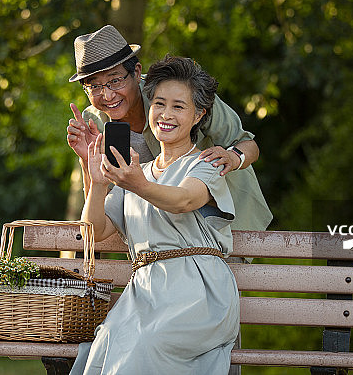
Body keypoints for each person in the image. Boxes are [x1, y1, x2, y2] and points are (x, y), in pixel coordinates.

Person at [71, 56, 239, 375]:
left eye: (179, 106)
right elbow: (95, 230)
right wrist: (96, 181)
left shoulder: (205, 165)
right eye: (159, 103)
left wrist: (137, 183)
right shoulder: (138, 171)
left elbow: (184, 199)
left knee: (147, 342)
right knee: (107, 341)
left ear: (198, 114)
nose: (166, 114)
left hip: (198, 293)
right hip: (145, 293)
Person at [67, 24, 272, 232]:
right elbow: (100, 211)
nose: (108, 95)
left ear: (136, 72)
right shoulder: (94, 121)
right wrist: (87, 161)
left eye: (115, 80)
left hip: (225, 217)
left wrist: (232, 158)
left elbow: (247, 144)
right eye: (94, 86)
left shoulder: (176, 91)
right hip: (160, 232)